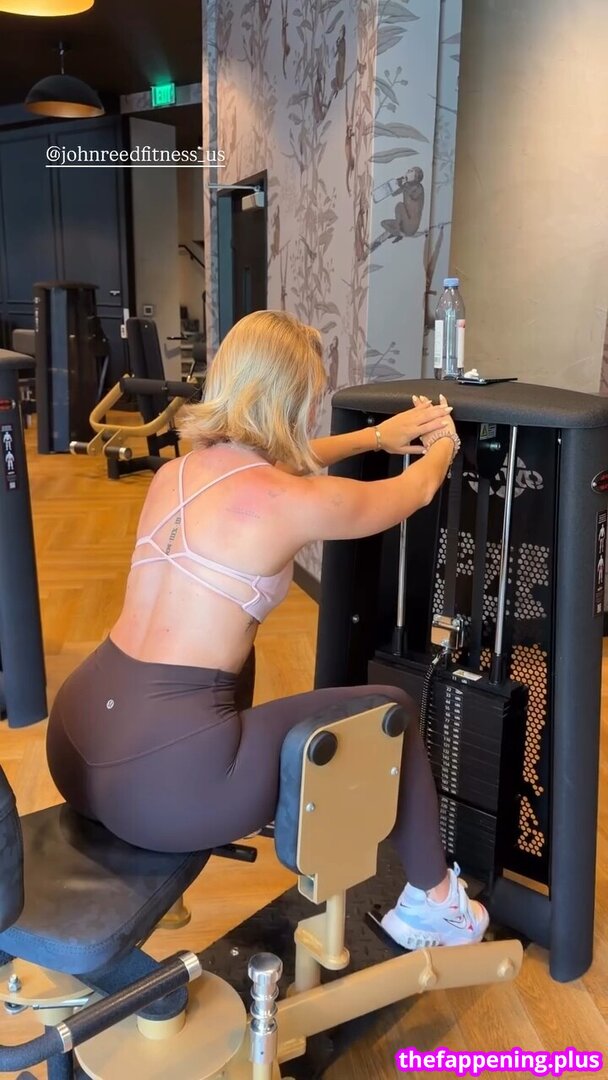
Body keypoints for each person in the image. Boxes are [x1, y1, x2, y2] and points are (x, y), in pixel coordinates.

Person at [46, 310, 488, 951]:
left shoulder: (177, 471)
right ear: (292, 399)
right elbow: (416, 492)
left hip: (77, 742)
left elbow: (274, 466)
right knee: (390, 706)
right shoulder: (288, 502)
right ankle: (437, 905)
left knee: (235, 666)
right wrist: (443, 437)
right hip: (162, 784)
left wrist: (374, 437)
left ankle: (235, 792)